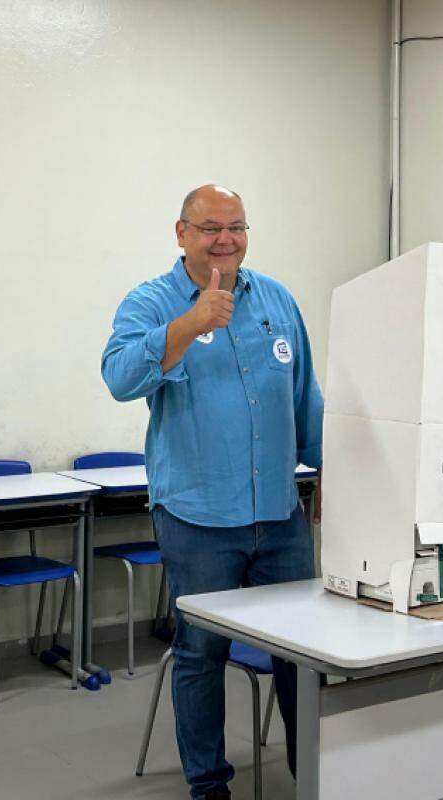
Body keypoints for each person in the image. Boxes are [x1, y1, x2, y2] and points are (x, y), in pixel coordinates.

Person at [101, 184, 323, 799]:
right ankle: (209, 785)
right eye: (209, 228)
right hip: (198, 517)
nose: (224, 240)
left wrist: (327, 468)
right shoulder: (150, 302)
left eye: (236, 227)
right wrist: (191, 321)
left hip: (280, 515)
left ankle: (318, 771)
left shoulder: (276, 299)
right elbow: (119, 378)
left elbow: (305, 396)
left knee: (303, 654)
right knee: (201, 655)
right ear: (181, 234)